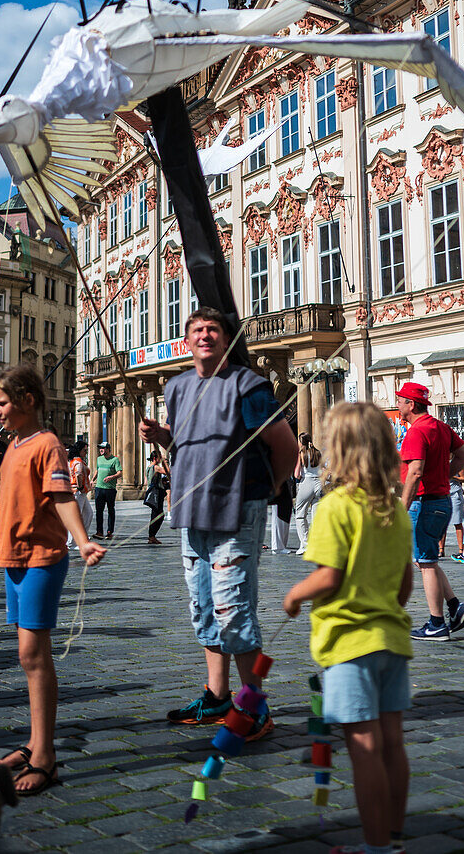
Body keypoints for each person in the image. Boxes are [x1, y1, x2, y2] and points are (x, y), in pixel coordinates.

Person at [139, 307, 297, 737]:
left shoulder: (248, 386)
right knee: (203, 607)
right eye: (197, 330)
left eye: (213, 330)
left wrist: (271, 488)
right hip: (191, 513)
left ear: (226, 341)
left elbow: (284, 445)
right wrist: (162, 437)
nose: (205, 335)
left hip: (237, 511)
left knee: (234, 608)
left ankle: (255, 707)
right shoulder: (177, 387)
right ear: (186, 340)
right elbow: (186, 444)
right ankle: (217, 696)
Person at [0, 364, 104, 795]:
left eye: (2, 404)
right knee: (29, 657)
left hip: (43, 557)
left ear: (27, 401)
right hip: (14, 561)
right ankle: (34, 744)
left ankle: (44, 757)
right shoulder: (15, 446)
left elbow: (61, 497)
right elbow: (7, 490)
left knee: (32, 655)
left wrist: (82, 541)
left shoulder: (47, 444)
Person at [283, 402, 413, 854]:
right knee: (393, 744)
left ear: (337, 451)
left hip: (347, 645)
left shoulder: (335, 507)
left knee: (364, 748)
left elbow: (329, 576)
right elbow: (404, 585)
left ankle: (376, 846)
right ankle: (393, 836)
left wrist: (296, 594)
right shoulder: (395, 511)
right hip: (393, 642)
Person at [397, 382, 464, 640]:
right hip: (441, 500)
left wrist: (401, 508)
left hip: (424, 502)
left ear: (411, 404)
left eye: (400, 400)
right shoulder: (440, 426)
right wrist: (444, 474)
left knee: (426, 563)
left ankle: (437, 623)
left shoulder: (417, 432)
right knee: (426, 557)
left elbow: (415, 472)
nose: (398, 405)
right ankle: (455, 606)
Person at [294, 433, 323, 555]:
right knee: (316, 517)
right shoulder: (318, 453)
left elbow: (297, 474)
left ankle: (305, 545)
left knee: (300, 515)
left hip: (307, 482)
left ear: (301, 442)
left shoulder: (301, 454)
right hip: (319, 483)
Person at [66, 441, 93, 549]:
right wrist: (80, 486)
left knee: (88, 514)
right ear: (80, 450)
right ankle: (72, 543)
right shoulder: (78, 461)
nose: (86, 452)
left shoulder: (74, 460)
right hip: (78, 492)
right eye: (85, 450)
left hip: (81, 493)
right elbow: (78, 474)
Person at [93, 440, 121, 540]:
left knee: (110, 510)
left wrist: (111, 477)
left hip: (110, 489)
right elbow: (97, 470)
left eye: (103, 448)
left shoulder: (115, 460)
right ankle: (99, 532)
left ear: (108, 449)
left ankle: (109, 531)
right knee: (99, 511)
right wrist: (93, 480)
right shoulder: (99, 459)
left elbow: (119, 473)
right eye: (100, 448)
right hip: (99, 488)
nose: (101, 450)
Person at [144, 450, 167, 544]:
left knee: (154, 514)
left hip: (152, 492)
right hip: (157, 493)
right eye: (159, 457)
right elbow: (168, 472)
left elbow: (147, 482)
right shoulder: (156, 467)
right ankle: (152, 536)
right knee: (159, 515)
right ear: (155, 458)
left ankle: (152, 536)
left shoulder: (148, 468)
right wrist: (165, 463)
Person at [444, 469, 464, 561]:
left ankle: (462, 550)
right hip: (442, 493)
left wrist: (452, 476)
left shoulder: (457, 462)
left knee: (457, 523)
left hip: (454, 494)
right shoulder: (441, 460)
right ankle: (440, 549)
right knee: (441, 523)